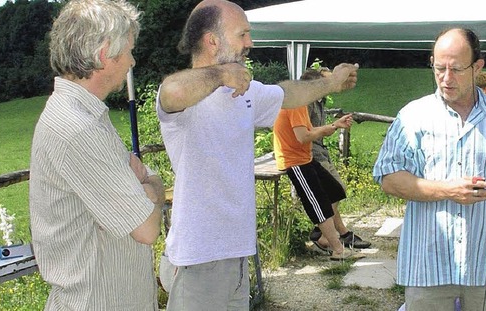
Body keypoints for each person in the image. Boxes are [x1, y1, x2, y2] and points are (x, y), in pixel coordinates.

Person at [155, 0, 358, 309]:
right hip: (199, 258)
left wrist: (331, 82)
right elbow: (171, 91)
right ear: (212, 41)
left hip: (235, 256)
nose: (249, 43)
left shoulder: (245, 93)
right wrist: (222, 74)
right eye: (242, 35)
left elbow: (289, 94)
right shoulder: (187, 97)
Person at [372, 28, 486, 311]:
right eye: (439, 68)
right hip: (427, 263)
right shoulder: (412, 116)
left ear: (477, 67)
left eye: (456, 69)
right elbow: (388, 178)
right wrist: (448, 190)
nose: (446, 78)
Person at [29, 0, 164, 309]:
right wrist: (152, 187)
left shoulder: (81, 116)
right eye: (128, 50)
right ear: (104, 55)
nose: (131, 61)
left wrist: (142, 191)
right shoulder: (78, 129)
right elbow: (147, 228)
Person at [273, 68, 366, 260]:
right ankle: (337, 249)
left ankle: (324, 236)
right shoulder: (297, 103)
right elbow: (303, 136)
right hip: (294, 161)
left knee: (335, 191)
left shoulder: (303, 101)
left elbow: (306, 131)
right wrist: (330, 128)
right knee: (318, 205)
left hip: (305, 157)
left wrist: (334, 125)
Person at [301, 68, 371, 252]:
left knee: (333, 192)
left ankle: (335, 232)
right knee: (337, 189)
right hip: (309, 153)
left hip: (319, 151)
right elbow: (302, 134)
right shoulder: (305, 102)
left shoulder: (320, 101)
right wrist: (333, 125)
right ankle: (325, 231)